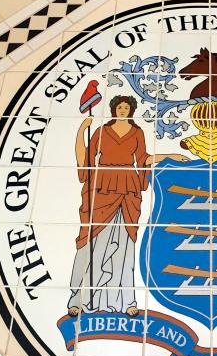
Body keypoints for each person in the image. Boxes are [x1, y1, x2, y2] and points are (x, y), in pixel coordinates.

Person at [68, 95, 186, 316]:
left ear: (130, 110)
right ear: (113, 109)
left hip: (127, 190)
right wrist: (80, 131)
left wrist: (168, 156)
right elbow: (86, 159)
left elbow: (142, 159)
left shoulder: (137, 132)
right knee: (93, 243)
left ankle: (124, 301)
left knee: (124, 247)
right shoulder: (101, 131)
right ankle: (79, 299)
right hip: (102, 187)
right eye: (119, 107)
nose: (122, 110)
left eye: (126, 107)